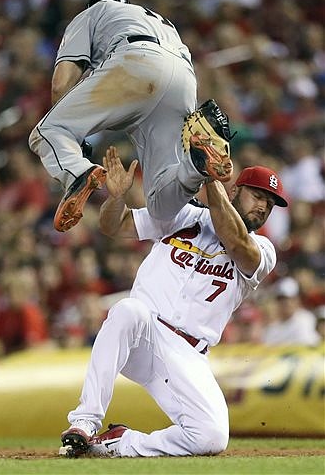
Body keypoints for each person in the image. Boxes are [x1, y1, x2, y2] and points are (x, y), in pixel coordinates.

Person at [59, 146, 288, 458]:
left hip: (187, 354)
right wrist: (116, 198)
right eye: (258, 196)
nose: (263, 206)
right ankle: (85, 421)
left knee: (211, 437)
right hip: (144, 332)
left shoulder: (263, 250)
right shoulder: (186, 215)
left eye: (270, 203)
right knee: (128, 310)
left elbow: (235, 241)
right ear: (236, 189)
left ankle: (119, 444)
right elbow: (115, 226)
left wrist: (209, 179)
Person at [28, 0, 234, 233]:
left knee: (48, 130)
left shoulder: (94, 12)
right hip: (184, 79)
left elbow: (60, 85)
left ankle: (77, 174)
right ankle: (195, 166)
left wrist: (73, 139)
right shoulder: (156, 19)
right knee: (160, 208)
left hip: (138, 62)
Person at [262, 276, 321, 346]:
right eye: (281, 299)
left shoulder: (306, 319)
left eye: (288, 299)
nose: (285, 303)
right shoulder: (271, 329)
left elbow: (306, 346)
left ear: (297, 299)